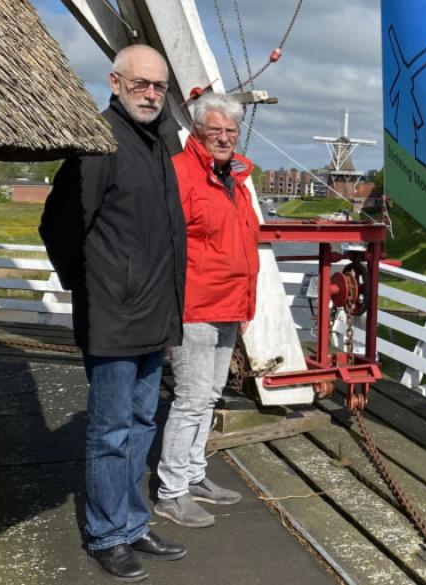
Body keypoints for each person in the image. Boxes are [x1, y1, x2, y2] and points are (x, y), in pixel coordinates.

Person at [40, 44, 187, 582]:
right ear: (115, 82)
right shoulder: (98, 145)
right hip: (114, 319)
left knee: (143, 421)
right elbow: (58, 226)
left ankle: (132, 523)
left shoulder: (155, 145)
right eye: (141, 83)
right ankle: (106, 534)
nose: (151, 93)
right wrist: (96, 284)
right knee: (110, 431)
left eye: (158, 86)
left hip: (154, 316)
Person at [154, 92, 259, 528]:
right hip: (196, 304)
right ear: (196, 131)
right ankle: (171, 491)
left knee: (210, 396)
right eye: (214, 130)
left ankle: (195, 475)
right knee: (191, 398)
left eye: (230, 131)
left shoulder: (235, 177)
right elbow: (162, 241)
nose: (223, 137)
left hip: (231, 303)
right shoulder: (180, 174)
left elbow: (243, 240)